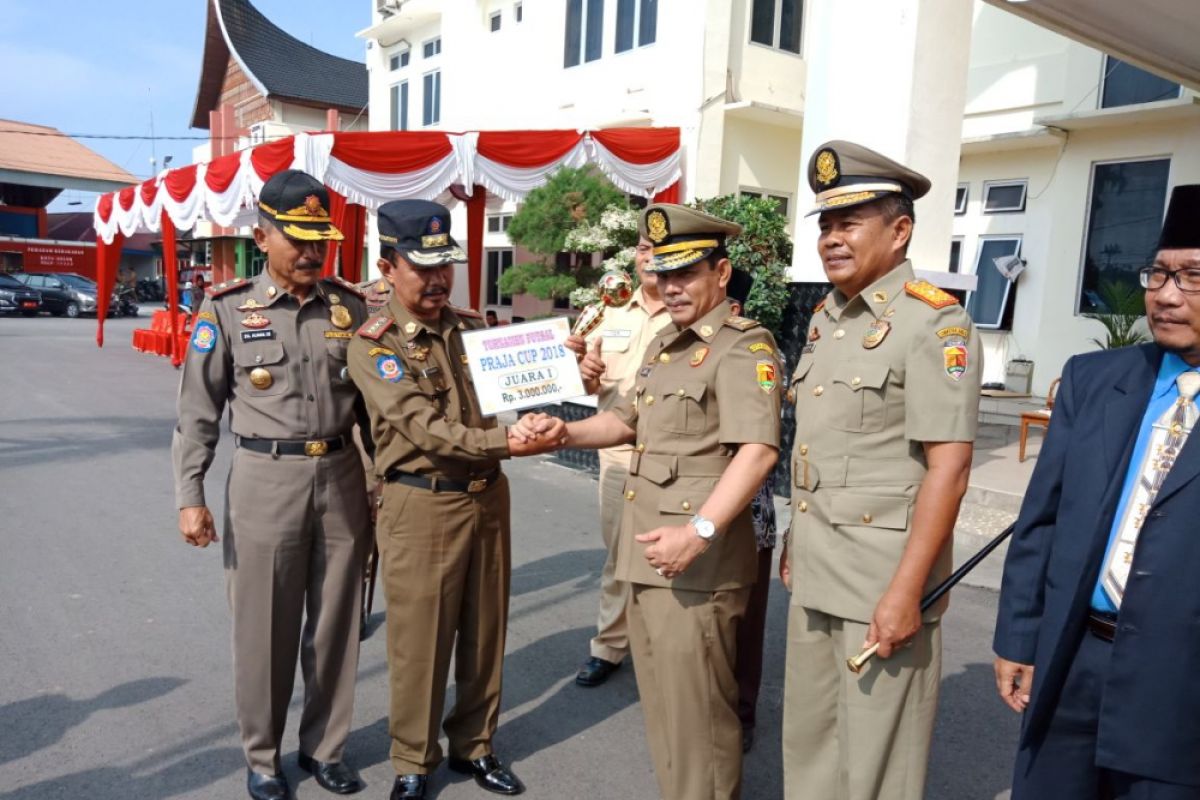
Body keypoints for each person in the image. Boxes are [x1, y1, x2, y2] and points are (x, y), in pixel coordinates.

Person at [519, 203, 782, 800]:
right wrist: (563, 433)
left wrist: (700, 533)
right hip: (650, 556)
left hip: (697, 566)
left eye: (686, 272)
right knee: (666, 718)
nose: (670, 286)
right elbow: (623, 422)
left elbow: (759, 452)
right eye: (663, 273)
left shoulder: (744, 348)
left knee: (700, 727)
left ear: (721, 272)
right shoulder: (666, 341)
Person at [781, 141, 980, 800]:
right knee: (809, 749)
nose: (833, 239)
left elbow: (948, 470)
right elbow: (819, 446)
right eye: (826, 225)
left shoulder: (934, 324)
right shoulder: (827, 319)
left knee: (877, 767)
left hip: (881, 582)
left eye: (851, 223)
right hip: (817, 567)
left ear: (899, 231)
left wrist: (908, 592)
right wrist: (791, 537)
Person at [346, 199, 559, 800]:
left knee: (485, 629)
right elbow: (423, 428)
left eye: (446, 267)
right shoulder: (374, 343)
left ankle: (475, 745)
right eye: (424, 268)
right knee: (420, 641)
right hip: (423, 502)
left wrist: (574, 378)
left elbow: (523, 383)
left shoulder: (469, 329)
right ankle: (413, 760)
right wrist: (508, 441)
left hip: (488, 496)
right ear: (389, 268)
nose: (440, 279)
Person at [993, 184, 1200, 799]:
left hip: (1180, 686)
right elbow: (1043, 520)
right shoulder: (1095, 380)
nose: (1165, 295)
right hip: (1071, 660)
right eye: (1158, 273)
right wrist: (1019, 636)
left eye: (1192, 277)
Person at [173, 169, 372, 800]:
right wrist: (191, 497)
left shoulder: (351, 306)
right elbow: (197, 412)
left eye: (321, 239)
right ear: (263, 237)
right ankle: (263, 756)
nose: (313, 252)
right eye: (298, 239)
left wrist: (387, 477)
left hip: (342, 475)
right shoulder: (228, 309)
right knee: (264, 627)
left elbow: (378, 407)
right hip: (264, 480)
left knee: (337, 621)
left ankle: (325, 747)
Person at [564, 228, 671, 687]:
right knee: (618, 552)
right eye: (645, 249)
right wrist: (582, 369)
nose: (650, 258)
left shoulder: (689, 307)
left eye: (660, 251)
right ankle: (609, 646)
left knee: (667, 552)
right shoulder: (606, 312)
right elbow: (586, 386)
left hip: (672, 452)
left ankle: (661, 648)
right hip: (617, 450)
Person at [723, 269, 779, 755]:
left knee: (744, 626)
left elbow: (758, 447)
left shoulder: (755, 351)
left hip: (747, 520)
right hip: (691, 518)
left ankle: (741, 716)